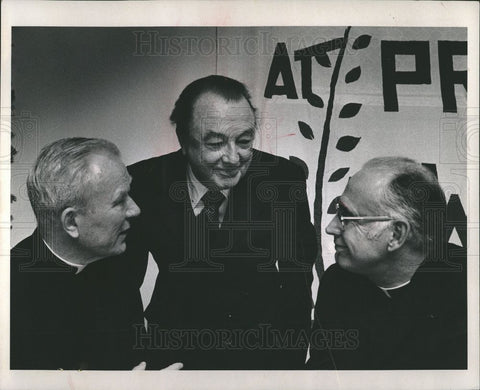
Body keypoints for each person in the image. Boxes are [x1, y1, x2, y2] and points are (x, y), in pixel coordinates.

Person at [127, 75, 317, 369]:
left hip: (262, 356)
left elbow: (299, 286)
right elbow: (122, 287)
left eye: (244, 141)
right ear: (183, 140)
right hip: (172, 356)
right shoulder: (143, 182)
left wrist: (286, 369)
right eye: (215, 143)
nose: (233, 158)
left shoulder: (282, 179)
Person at [307, 157, 467, 369]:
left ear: (396, 234)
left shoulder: (467, 289)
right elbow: (324, 373)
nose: (331, 227)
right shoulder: (337, 282)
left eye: (346, 216)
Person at [10, 137, 146, 370]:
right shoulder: (9, 290)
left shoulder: (121, 261)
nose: (135, 209)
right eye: (120, 201)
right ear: (71, 222)